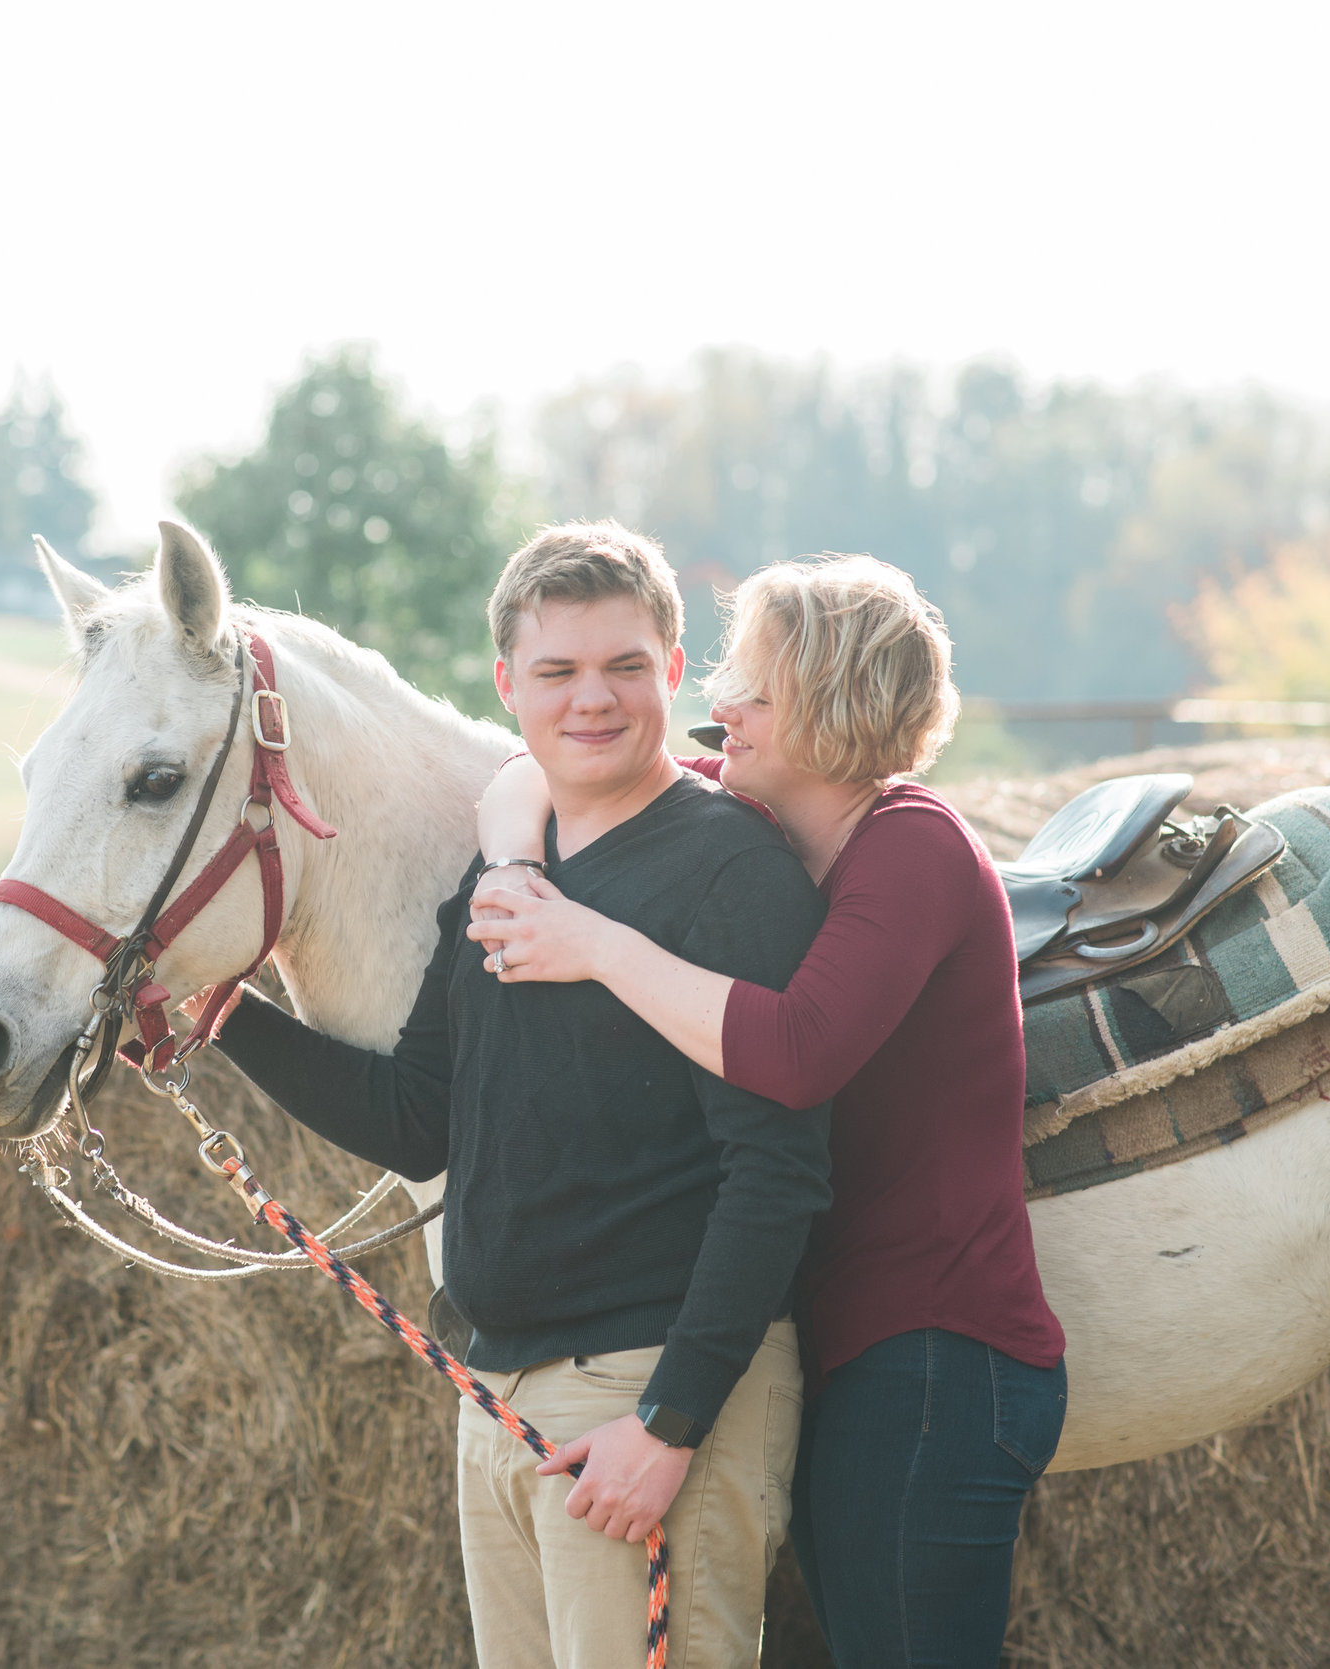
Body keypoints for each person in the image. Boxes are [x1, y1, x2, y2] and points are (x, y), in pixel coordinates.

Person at [211, 522, 832, 1669]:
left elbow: (778, 1172)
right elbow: (419, 1117)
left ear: (671, 669)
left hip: (643, 1397)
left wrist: (670, 1424)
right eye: (556, 671)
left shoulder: (731, 872)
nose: (591, 700)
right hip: (493, 1396)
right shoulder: (499, 874)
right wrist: (225, 1016)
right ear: (507, 685)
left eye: (623, 667)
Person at [468, 554, 1066, 1669]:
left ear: (832, 710)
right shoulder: (764, 813)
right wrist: (510, 866)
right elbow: (525, 773)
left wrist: (590, 942)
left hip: (936, 1353)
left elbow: (793, 1055)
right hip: (853, 1346)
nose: (720, 706)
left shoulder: (914, 848)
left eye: (755, 688)